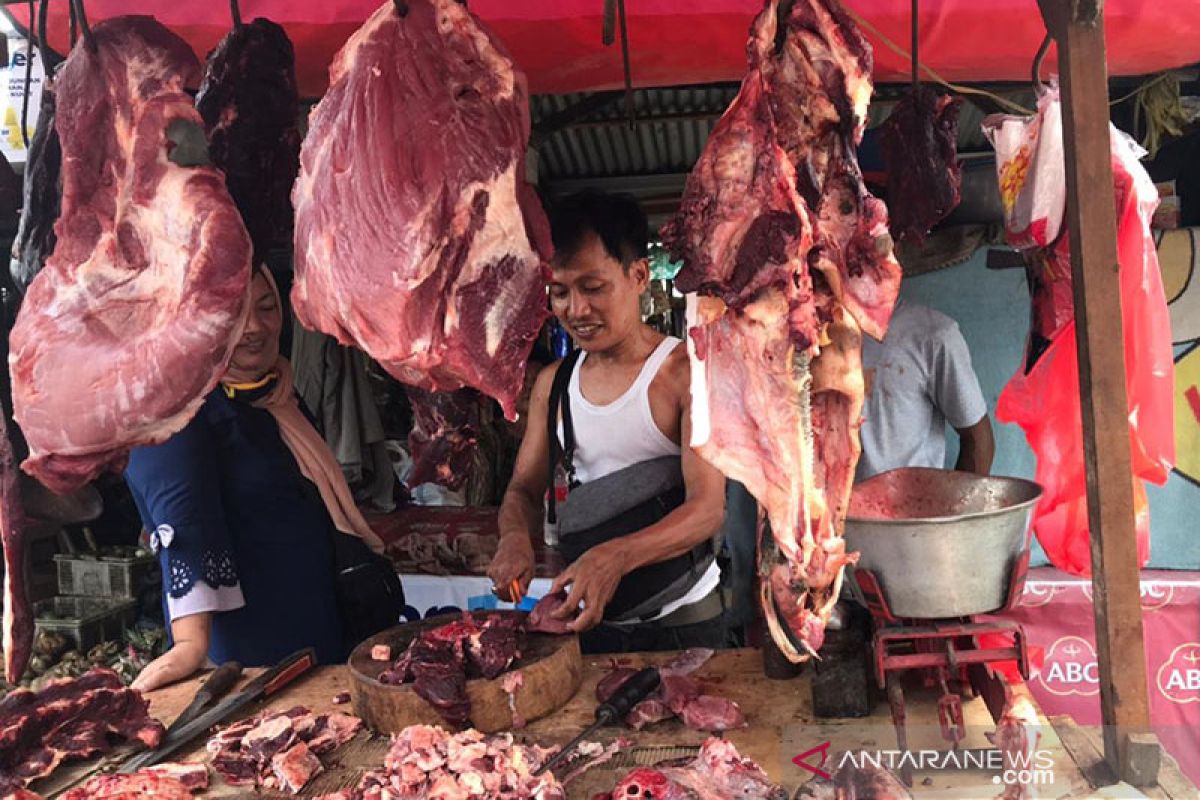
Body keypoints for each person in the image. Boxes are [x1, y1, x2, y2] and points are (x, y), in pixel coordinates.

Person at [126, 267, 394, 692]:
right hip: (256, 651)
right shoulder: (177, 409)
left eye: (267, 307)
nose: (254, 327)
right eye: (232, 315)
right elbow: (182, 516)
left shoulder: (276, 393)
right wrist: (191, 643)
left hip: (319, 621)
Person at [488, 190, 728, 653]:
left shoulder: (684, 373)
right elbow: (522, 489)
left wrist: (615, 556)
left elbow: (706, 509)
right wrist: (515, 536)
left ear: (638, 276)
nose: (575, 310)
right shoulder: (553, 385)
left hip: (684, 624)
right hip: (586, 626)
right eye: (559, 292)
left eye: (593, 288)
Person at [856, 297, 995, 480]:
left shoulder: (933, 334)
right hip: (825, 505)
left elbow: (978, 441)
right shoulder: (814, 337)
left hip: (911, 503)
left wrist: (957, 506)